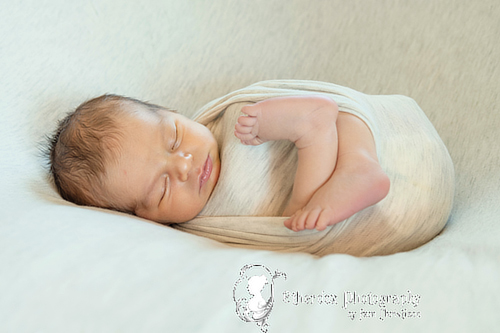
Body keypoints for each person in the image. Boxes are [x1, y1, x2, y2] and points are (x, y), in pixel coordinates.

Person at [48, 93, 389, 232]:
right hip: (318, 193)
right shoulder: (200, 228)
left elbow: (340, 103)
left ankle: (344, 153)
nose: (183, 165)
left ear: (175, 113)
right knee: (295, 224)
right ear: (148, 219)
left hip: (335, 135)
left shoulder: (234, 123)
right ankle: (348, 162)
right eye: (163, 187)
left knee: (347, 116)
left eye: (174, 138)